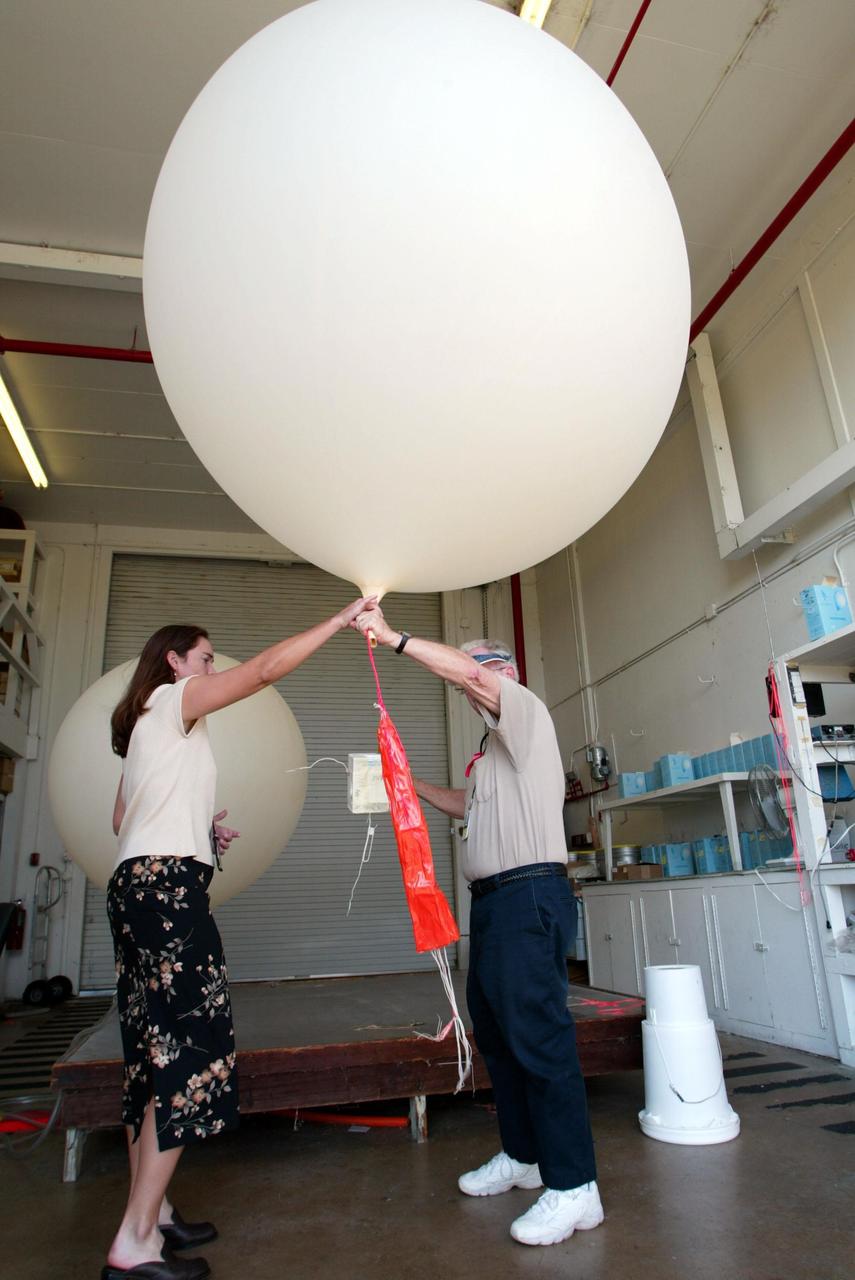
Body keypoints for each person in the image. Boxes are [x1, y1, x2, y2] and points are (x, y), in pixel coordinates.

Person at [103, 596, 373, 1280]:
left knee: (150, 1053)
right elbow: (261, 672)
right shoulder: (175, 698)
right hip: (166, 893)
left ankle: (154, 1215)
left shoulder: (143, 724)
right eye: (202, 657)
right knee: (189, 1051)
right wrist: (337, 621)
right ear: (173, 661)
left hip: (136, 885)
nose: (209, 668)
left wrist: (198, 828)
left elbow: (120, 818)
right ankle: (134, 1243)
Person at [352, 605, 601, 1248]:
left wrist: (395, 638)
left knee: (541, 1040)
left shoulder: (522, 710)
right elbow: (469, 805)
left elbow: (467, 672)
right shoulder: (492, 750)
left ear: (504, 673)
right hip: (492, 906)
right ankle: (523, 1158)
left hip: (529, 898)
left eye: (478, 670)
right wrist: (411, 787)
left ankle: (575, 1188)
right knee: (498, 1035)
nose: (468, 683)